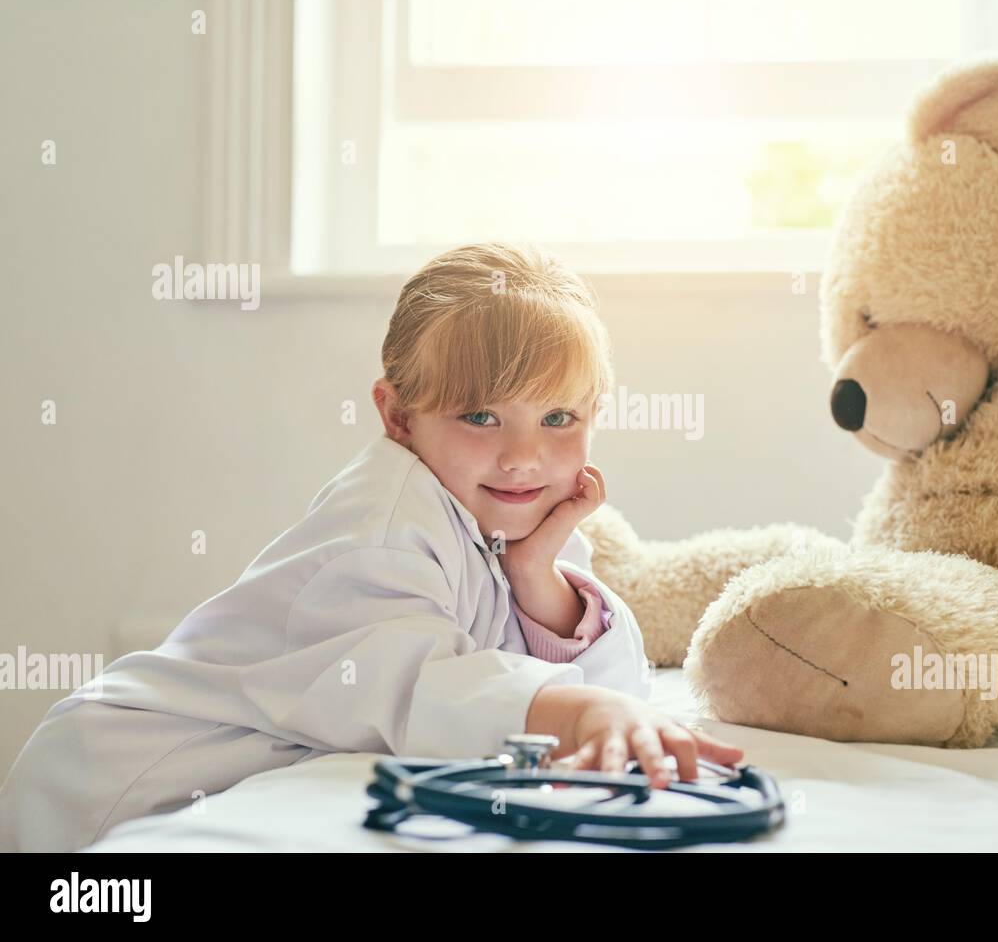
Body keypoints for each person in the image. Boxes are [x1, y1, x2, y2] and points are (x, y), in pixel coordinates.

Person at [0, 242, 742, 851]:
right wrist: (575, 714)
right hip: (120, 780)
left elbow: (614, 689)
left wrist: (536, 573)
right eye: (480, 416)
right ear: (398, 415)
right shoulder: (379, 532)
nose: (524, 457)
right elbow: (420, 688)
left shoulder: (508, 521)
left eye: (557, 418)